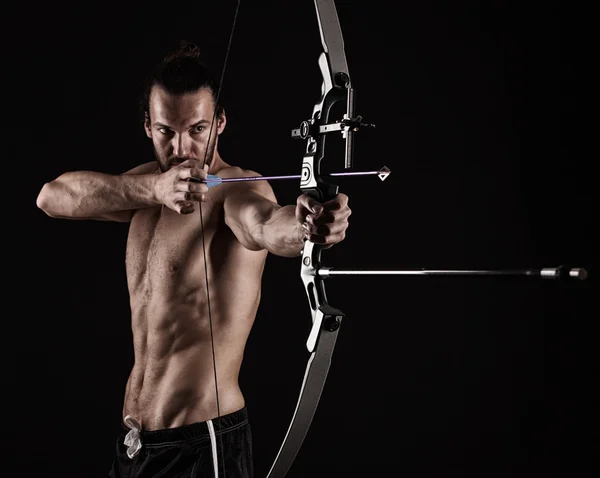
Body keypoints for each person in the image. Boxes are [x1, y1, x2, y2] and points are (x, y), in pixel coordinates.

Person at [35, 41, 351, 478]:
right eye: (167, 131)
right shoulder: (146, 187)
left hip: (202, 447)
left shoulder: (240, 189)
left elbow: (266, 226)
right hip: (137, 445)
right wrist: (154, 190)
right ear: (148, 126)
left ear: (219, 123)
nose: (182, 147)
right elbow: (52, 197)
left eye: (197, 129)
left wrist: (308, 227)